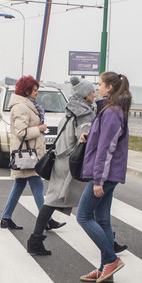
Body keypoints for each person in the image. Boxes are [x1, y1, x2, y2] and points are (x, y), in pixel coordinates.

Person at [28, 79, 96, 255]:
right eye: (91, 92)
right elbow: (85, 137)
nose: (94, 95)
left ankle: (35, 240)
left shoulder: (70, 110)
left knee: (54, 199)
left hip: (61, 160)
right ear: (85, 94)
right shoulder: (85, 114)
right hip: (72, 164)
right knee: (90, 201)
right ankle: (108, 241)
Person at [76, 71, 131, 283]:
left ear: (109, 88)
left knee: (83, 216)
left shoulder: (111, 112)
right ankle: (105, 270)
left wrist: (98, 180)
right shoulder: (110, 111)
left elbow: (107, 149)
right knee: (102, 220)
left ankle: (110, 259)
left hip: (105, 175)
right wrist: (89, 137)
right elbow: (104, 140)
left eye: (99, 84)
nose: (96, 87)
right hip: (109, 174)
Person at [0, 75, 51, 230]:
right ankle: (46, 220)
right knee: (37, 185)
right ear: (27, 90)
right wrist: (39, 129)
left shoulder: (27, 104)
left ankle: (6, 217)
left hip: (29, 153)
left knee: (20, 185)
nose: (37, 93)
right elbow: (21, 132)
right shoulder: (21, 107)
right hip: (27, 154)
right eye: (34, 90)